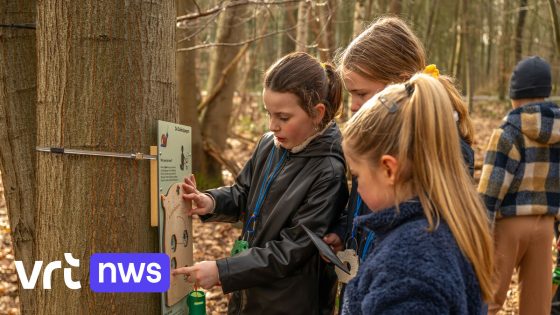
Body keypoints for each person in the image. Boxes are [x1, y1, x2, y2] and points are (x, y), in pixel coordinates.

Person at [172, 52, 349, 315]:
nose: (272, 125)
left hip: (290, 304)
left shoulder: (329, 171)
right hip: (248, 293)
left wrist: (223, 270)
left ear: (316, 113)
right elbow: (244, 193)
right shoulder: (269, 144)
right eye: (269, 113)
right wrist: (210, 201)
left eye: (283, 117)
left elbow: (292, 250)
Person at [324, 16, 475, 285]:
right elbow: (364, 204)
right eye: (351, 95)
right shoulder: (375, 139)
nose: (355, 106)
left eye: (362, 93)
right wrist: (343, 230)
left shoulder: (442, 148)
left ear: (400, 82)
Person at [340, 73, 493, 314]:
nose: (357, 186)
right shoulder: (449, 226)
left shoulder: (406, 265)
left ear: (389, 169)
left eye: (357, 174)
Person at [478, 56, 560, 315]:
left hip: (509, 225)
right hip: (545, 223)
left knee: (488, 297)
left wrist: (478, 230)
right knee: (537, 305)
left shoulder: (508, 133)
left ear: (514, 95)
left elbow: (491, 190)